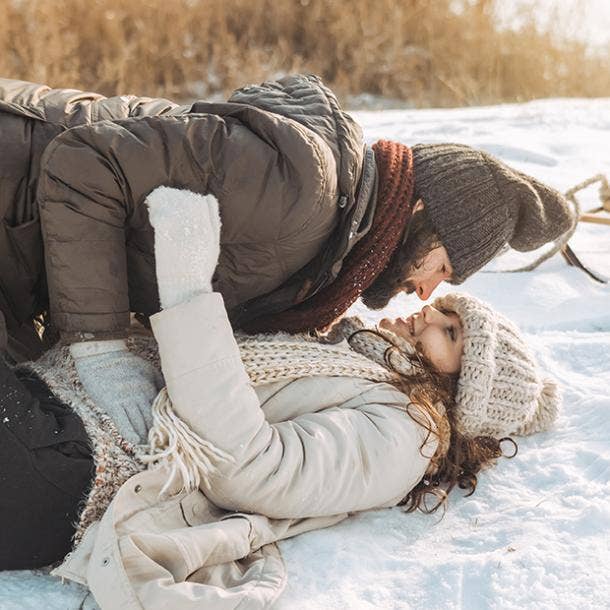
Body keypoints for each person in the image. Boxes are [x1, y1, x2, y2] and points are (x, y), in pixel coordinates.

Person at [0, 190, 560, 610]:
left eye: (451, 334)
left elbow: (248, 466)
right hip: (54, 402)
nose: (430, 313)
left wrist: (189, 292)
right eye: (448, 311)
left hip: (71, 460)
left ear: (460, 392)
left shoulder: (407, 435)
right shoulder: (351, 352)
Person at [0, 73, 572, 444]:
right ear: (424, 209)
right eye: (444, 267)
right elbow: (86, 165)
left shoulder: (329, 242)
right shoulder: (305, 191)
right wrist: (100, 347)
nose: (427, 292)